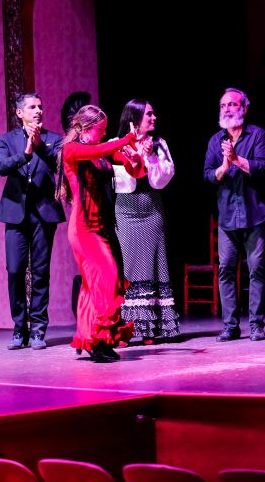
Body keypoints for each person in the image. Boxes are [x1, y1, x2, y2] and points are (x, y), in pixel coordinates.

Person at [56, 105, 136, 362]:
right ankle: (98, 340)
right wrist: (124, 140)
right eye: (100, 129)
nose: (103, 134)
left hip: (103, 227)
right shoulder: (73, 150)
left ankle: (93, 340)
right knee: (108, 278)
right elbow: (103, 148)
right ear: (85, 127)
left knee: (93, 286)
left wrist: (135, 158)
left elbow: (134, 170)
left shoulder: (99, 155)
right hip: (83, 229)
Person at [0, 92, 65, 350]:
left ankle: (37, 329)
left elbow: (59, 165)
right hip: (15, 214)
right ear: (19, 113)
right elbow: (1, 167)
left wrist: (38, 147)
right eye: (32, 107)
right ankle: (18, 329)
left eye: (40, 106)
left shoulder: (53, 139)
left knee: (40, 272)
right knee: (14, 270)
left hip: (43, 214)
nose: (38, 111)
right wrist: (25, 154)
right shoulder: (7, 139)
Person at [204, 88, 265, 342]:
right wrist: (224, 166)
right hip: (227, 216)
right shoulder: (215, 140)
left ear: (244, 107)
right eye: (223, 105)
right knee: (226, 270)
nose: (227, 109)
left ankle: (256, 324)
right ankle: (230, 326)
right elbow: (208, 174)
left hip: (256, 213)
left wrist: (237, 160)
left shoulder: (257, 135)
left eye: (233, 104)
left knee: (257, 270)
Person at [112, 99, 179, 346]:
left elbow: (163, 179)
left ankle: (151, 328)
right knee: (130, 268)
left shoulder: (159, 144)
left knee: (154, 264)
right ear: (134, 117)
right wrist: (135, 156)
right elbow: (121, 181)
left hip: (151, 208)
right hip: (127, 211)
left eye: (153, 114)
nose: (154, 118)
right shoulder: (116, 144)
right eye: (149, 114)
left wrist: (149, 158)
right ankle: (128, 328)